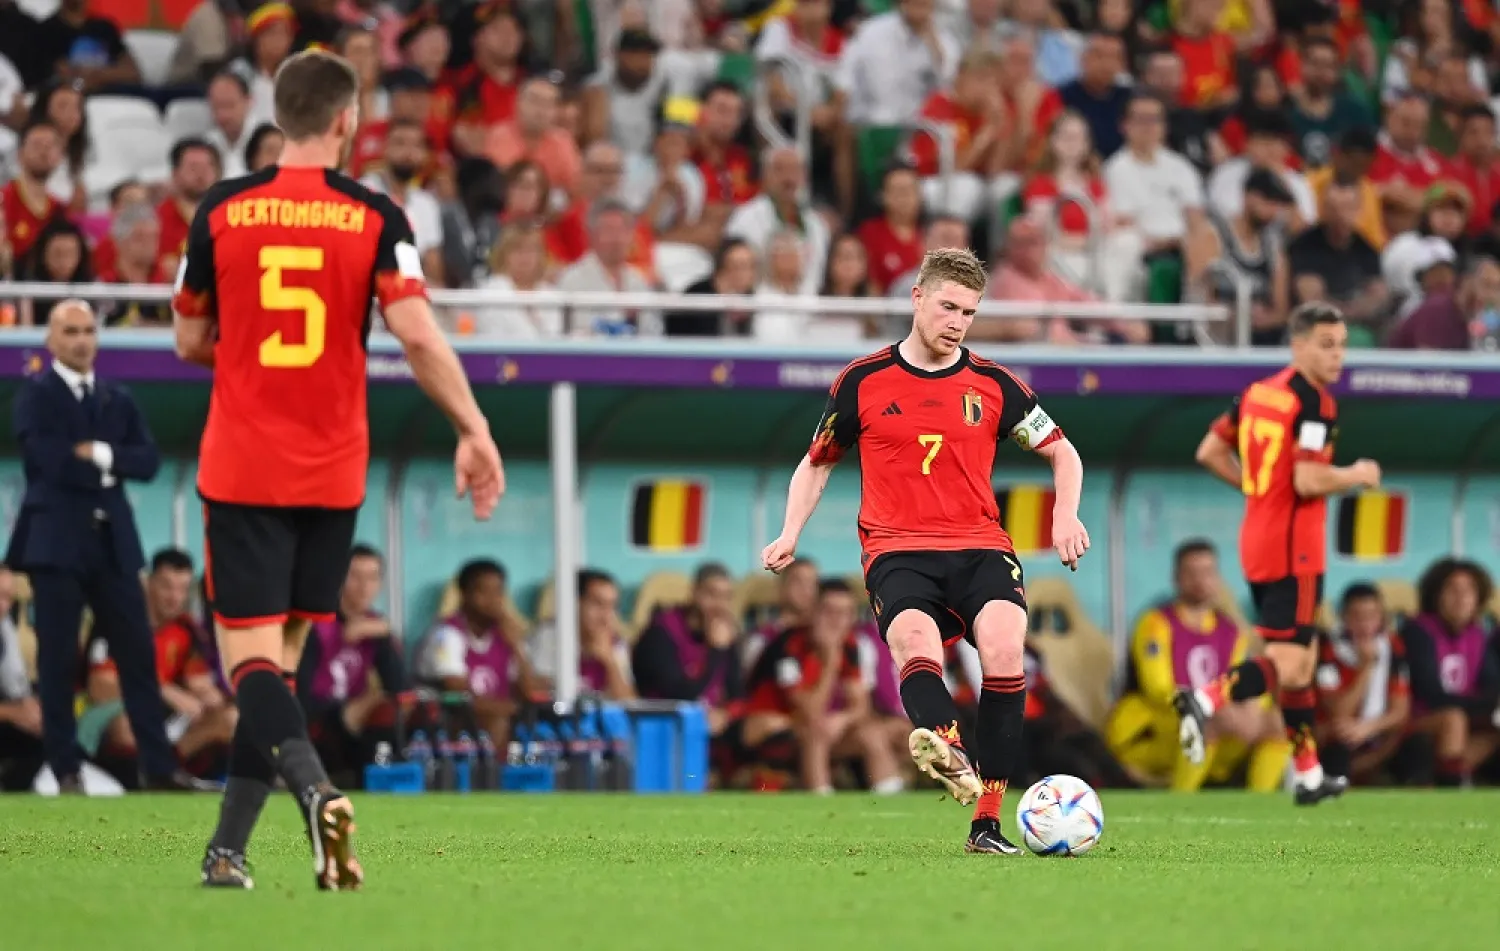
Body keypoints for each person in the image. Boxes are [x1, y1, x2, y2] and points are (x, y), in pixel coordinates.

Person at [171, 50, 504, 892]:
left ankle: (317, 791)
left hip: (244, 464)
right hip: (331, 472)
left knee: (247, 667)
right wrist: (474, 428)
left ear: (278, 115)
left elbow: (187, 341)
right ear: (347, 120)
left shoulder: (220, 210)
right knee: (276, 668)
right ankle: (226, 853)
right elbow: (419, 336)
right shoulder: (377, 214)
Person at [761, 247, 1090, 855]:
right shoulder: (862, 382)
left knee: (1003, 646)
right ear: (917, 298)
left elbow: (1062, 451)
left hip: (981, 546)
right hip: (898, 550)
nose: (958, 322)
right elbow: (816, 466)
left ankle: (986, 822)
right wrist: (789, 533)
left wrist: (1064, 513)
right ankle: (948, 747)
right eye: (948, 307)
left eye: (969, 312)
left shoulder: (993, 385)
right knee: (915, 644)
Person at [1184, 302, 1383, 806]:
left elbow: (1207, 451)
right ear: (1297, 346)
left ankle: (1309, 773)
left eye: (1341, 345)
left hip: (1258, 539)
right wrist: (1357, 474)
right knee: (1289, 663)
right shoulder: (1314, 403)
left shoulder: (1256, 394)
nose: (1337, 356)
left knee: (1303, 661)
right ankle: (1207, 698)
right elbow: (1308, 478)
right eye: (1326, 345)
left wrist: (1254, 490)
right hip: (1296, 549)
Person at [4, 301, 195, 796]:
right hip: (55, 545)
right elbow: (48, 463)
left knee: (138, 654)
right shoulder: (35, 396)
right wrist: (112, 467)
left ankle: (158, 767)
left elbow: (148, 461)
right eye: (71, 331)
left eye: (89, 330)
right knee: (57, 661)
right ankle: (65, 768)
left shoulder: (117, 398)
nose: (82, 340)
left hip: (113, 543)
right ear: (51, 340)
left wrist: (102, 454)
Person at [1106, 540, 1289, 792]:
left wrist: (1252, 709)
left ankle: (1259, 807)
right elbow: (1158, 689)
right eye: (1191, 573)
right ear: (1176, 578)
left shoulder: (1231, 630)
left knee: (1278, 723)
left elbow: (1238, 682)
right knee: (1205, 719)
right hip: (1156, 729)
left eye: (1207, 572)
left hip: (1219, 733)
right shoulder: (1156, 623)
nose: (1200, 580)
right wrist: (1212, 706)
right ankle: (1181, 801)